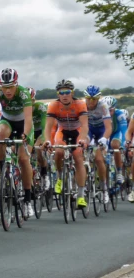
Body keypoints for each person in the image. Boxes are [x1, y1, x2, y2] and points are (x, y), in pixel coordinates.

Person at [0, 68, 34, 217]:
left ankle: (28, 200)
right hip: (7, 121)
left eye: (11, 86)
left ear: (16, 84)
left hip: (23, 124)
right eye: (4, 87)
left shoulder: (23, 93)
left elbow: (29, 118)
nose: (8, 90)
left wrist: (25, 134)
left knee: (24, 159)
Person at [46, 80, 90, 208]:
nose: (64, 95)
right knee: (58, 152)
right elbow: (48, 127)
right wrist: (48, 140)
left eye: (67, 92)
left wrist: (82, 139)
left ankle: (81, 196)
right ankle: (60, 177)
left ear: (72, 93)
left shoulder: (80, 104)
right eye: (61, 92)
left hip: (78, 132)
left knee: (78, 158)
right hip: (63, 132)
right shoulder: (53, 105)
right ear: (58, 94)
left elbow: (85, 126)